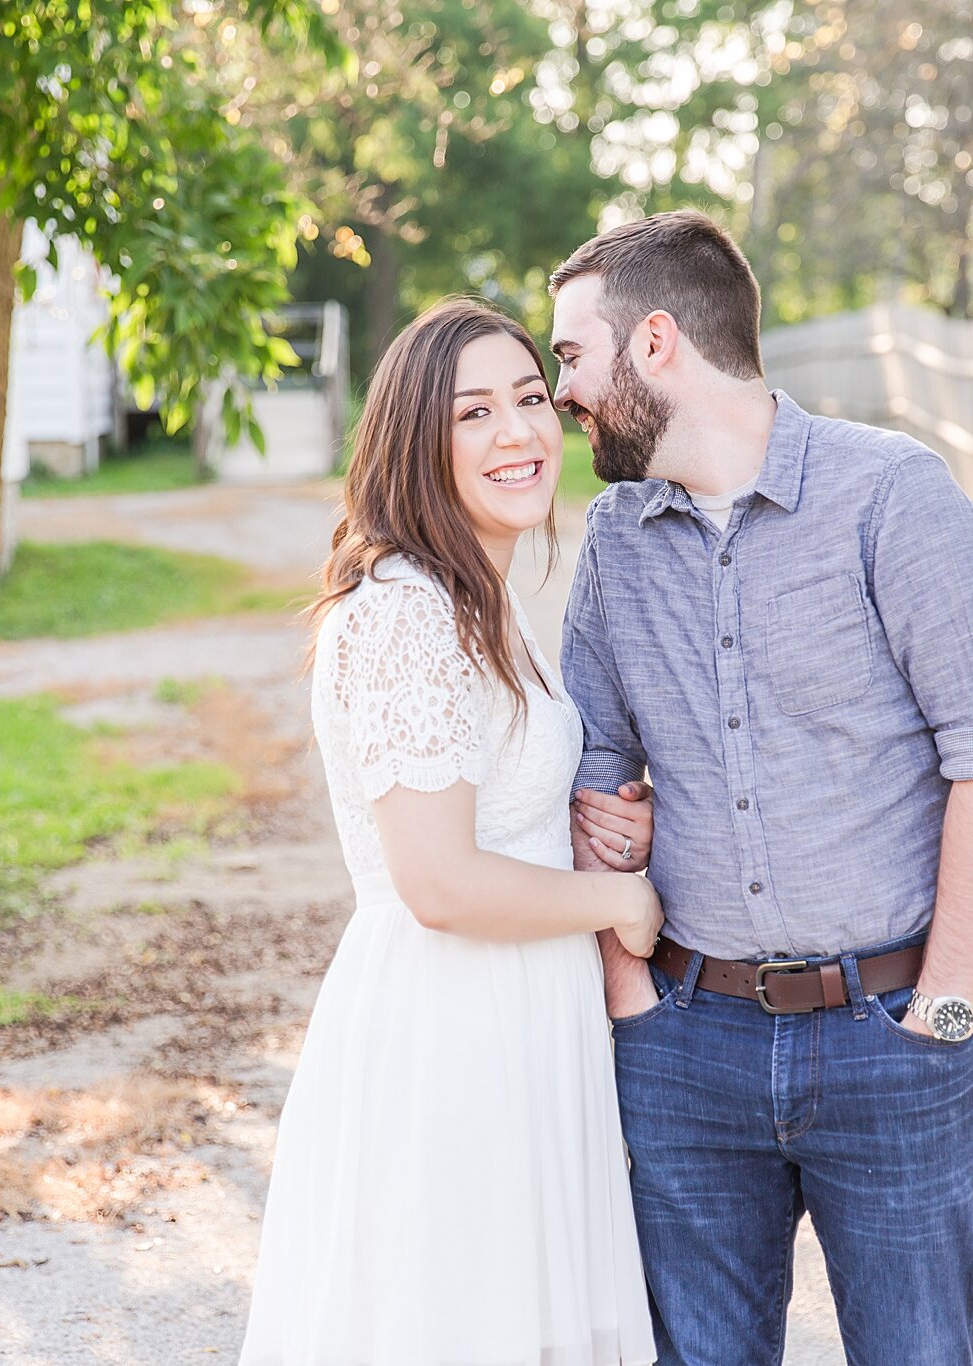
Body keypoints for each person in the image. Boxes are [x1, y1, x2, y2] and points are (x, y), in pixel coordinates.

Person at [554, 211, 973, 1366]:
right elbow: (588, 776)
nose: (562, 390)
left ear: (656, 343)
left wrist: (943, 1002)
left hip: (895, 1035)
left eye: (572, 356)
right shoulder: (615, 542)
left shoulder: (893, 499)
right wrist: (630, 992)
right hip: (685, 1045)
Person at [239, 297, 660, 1366]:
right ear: (414, 440)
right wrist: (620, 899)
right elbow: (437, 880)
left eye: (529, 398)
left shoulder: (480, 593)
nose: (517, 433)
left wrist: (578, 822)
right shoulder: (402, 608)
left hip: (520, 1016)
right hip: (449, 1031)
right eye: (473, 413)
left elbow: (483, 806)